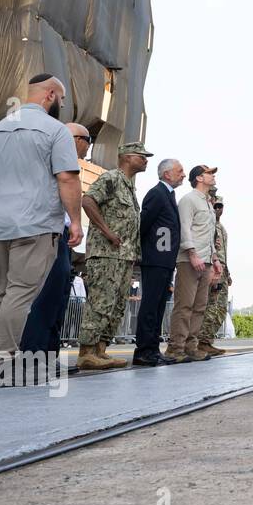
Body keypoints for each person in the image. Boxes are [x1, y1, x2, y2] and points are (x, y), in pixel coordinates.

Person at [0, 75, 83, 366]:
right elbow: (67, 177)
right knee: (21, 293)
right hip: (34, 222)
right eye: (60, 99)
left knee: (1, 292)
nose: (61, 105)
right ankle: (1, 360)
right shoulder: (55, 130)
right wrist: (75, 221)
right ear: (50, 95)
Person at [19, 122, 93, 376]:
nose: (88, 146)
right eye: (87, 139)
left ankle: (48, 356)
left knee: (59, 296)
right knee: (47, 296)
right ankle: (33, 358)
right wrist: (75, 223)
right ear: (75, 139)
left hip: (58, 234)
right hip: (47, 231)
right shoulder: (51, 158)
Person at [77, 143, 151, 371]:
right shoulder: (111, 178)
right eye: (142, 156)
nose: (146, 160)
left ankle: (100, 349)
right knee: (101, 302)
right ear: (128, 157)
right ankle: (86, 353)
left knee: (117, 305)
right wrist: (107, 232)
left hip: (123, 257)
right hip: (106, 254)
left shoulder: (129, 186)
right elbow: (88, 201)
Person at [166, 166, 221, 362]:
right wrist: (192, 253)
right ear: (199, 177)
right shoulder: (188, 200)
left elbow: (208, 235)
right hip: (190, 260)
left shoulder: (207, 203)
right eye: (209, 173)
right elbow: (184, 228)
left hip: (205, 260)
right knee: (185, 305)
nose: (213, 176)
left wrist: (214, 259)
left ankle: (191, 346)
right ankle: (175, 347)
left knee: (199, 306)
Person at [135, 159, 183, 366]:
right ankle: (144, 350)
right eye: (179, 171)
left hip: (165, 260)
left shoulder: (169, 195)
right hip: (155, 258)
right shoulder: (157, 194)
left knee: (159, 306)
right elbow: (143, 224)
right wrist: (145, 252)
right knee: (150, 305)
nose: (183, 174)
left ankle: (153, 348)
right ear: (167, 174)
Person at [198, 194, 231, 357]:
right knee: (211, 307)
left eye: (221, 206)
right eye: (216, 206)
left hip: (223, 270)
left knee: (221, 309)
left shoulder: (221, 227)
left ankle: (208, 340)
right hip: (213, 270)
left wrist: (228, 272)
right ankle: (202, 342)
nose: (219, 209)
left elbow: (223, 252)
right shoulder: (209, 225)